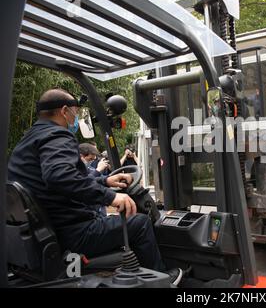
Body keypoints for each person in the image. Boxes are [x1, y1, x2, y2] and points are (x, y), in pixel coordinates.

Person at [8, 89, 183, 285]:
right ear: (64, 111)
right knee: (140, 223)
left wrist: (105, 181)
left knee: (117, 219)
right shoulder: (57, 134)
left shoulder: (28, 140)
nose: (75, 118)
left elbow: (60, 179)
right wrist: (111, 197)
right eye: (75, 112)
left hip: (49, 231)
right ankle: (162, 281)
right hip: (73, 233)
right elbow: (60, 176)